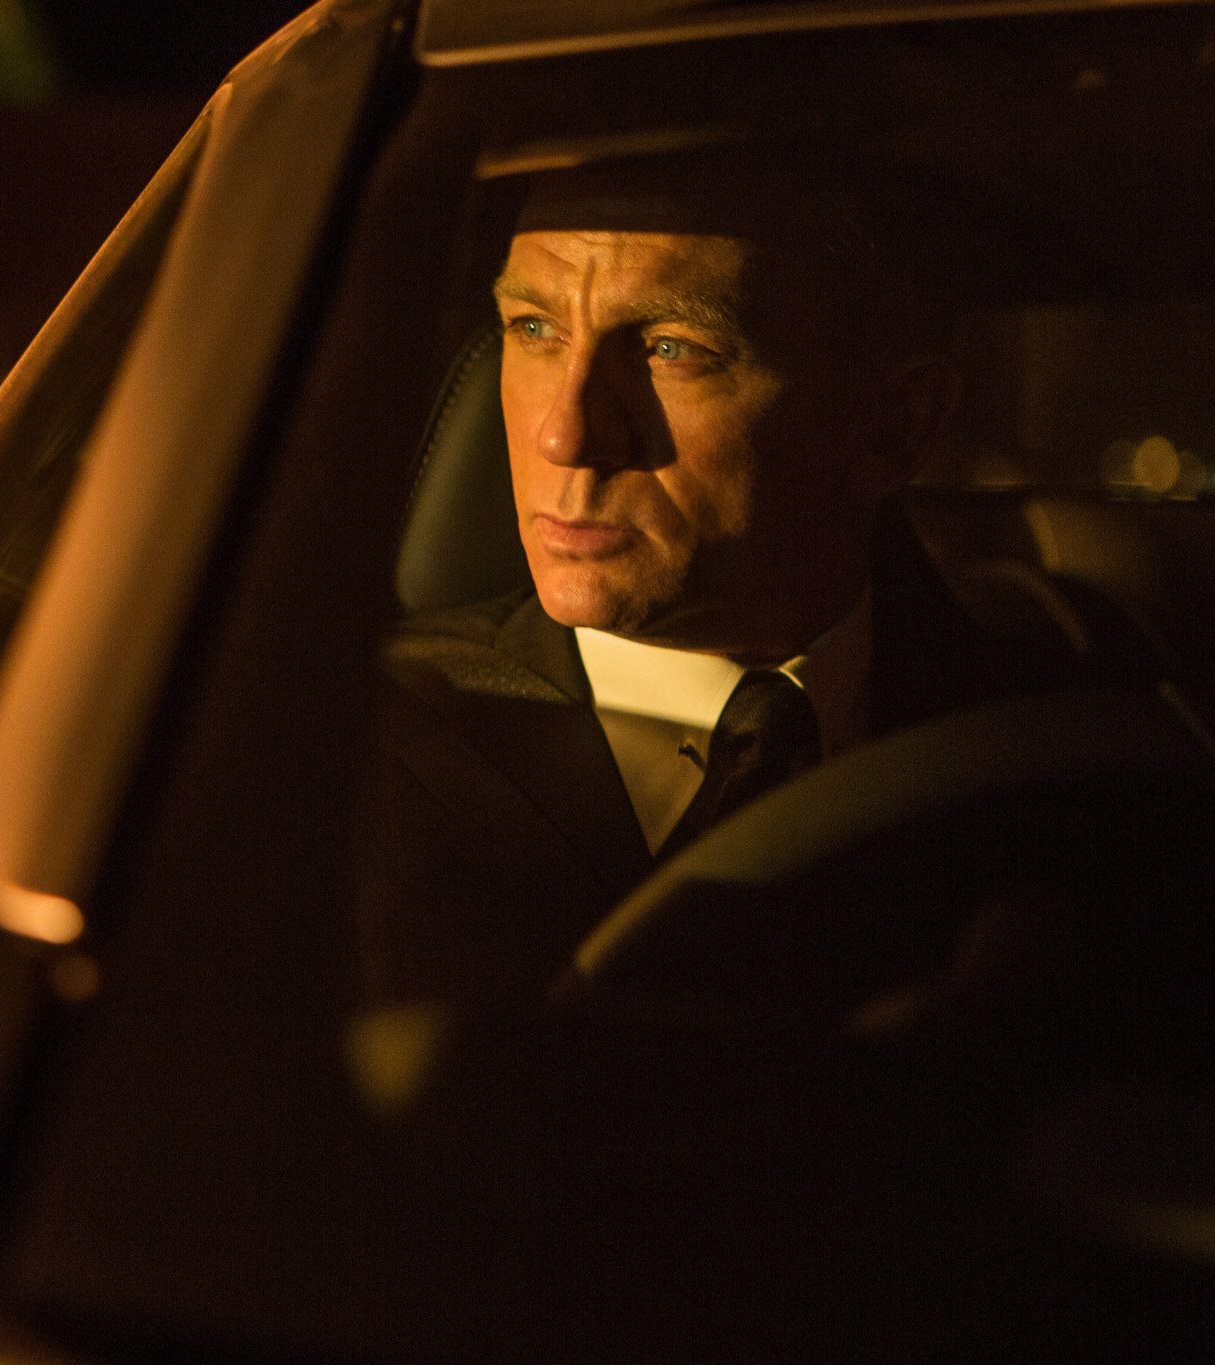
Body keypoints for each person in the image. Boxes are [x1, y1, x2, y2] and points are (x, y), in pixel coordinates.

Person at [357, 152, 1029, 1002]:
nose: (566, 434)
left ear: (893, 427)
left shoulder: (1048, 750)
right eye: (533, 329)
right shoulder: (340, 762)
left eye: (671, 348)